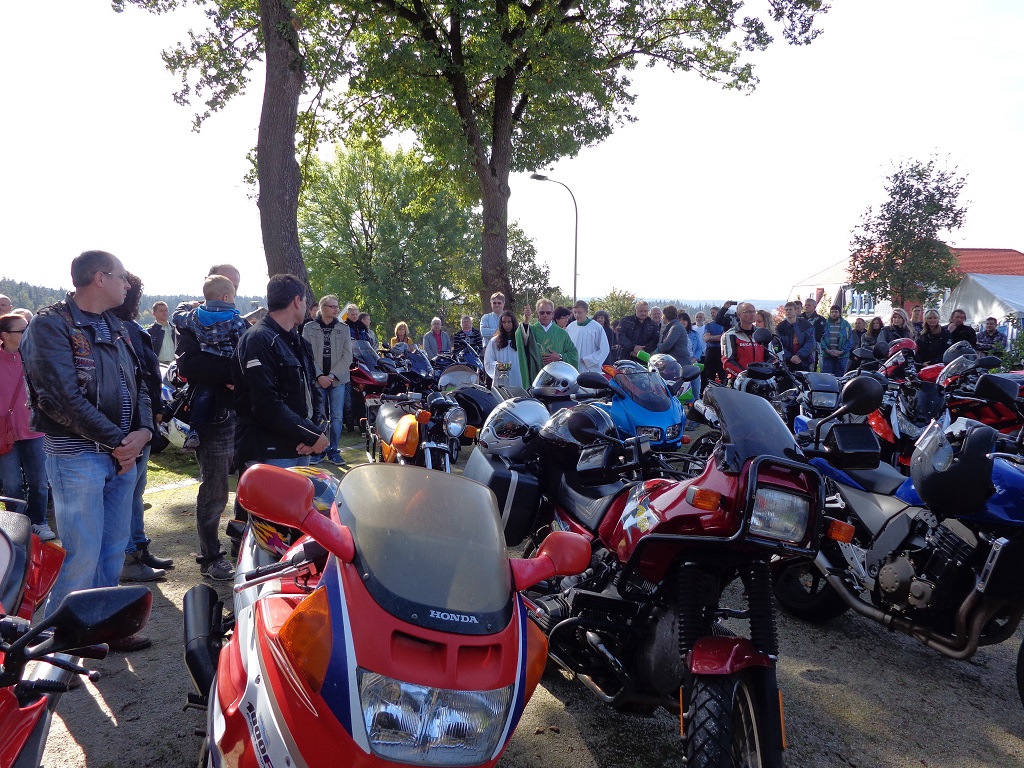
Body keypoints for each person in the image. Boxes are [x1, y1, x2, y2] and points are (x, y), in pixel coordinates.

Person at [21, 250, 153, 651]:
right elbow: (59, 399)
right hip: (78, 456)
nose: (127, 285)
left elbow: (140, 384)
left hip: (120, 456)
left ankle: (101, 631)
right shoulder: (49, 325)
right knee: (82, 555)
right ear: (99, 278)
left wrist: (144, 431)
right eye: (121, 277)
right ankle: (57, 644)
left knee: (111, 551)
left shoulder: (116, 325)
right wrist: (121, 442)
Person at [174, 262, 242, 582]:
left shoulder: (232, 319)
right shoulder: (193, 319)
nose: (235, 292)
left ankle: (243, 543)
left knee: (249, 484)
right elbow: (190, 365)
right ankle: (211, 556)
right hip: (214, 416)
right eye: (231, 286)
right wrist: (234, 371)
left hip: (242, 413)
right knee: (215, 489)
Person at [113, 273, 173, 582]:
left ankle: (138, 547)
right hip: (127, 424)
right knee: (125, 492)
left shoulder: (133, 328)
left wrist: (156, 413)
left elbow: (149, 376)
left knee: (136, 491)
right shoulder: (115, 329)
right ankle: (128, 557)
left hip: (144, 421)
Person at [233, 274, 328, 471]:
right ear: (297, 301)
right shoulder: (257, 339)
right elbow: (265, 403)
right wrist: (311, 435)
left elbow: (314, 391)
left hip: (300, 448)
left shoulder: (299, 343)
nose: (306, 307)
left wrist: (315, 433)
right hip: (271, 451)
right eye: (305, 302)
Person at [172, 274, 249, 450]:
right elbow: (243, 346)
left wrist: (186, 305)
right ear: (226, 297)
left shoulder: (195, 316)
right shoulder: (235, 320)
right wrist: (237, 375)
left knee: (203, 395)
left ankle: (194, 430)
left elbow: (177, 317)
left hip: (206, 362)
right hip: (228, 363)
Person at [0, 313, 52, 541]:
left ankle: (39, 522)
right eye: (22, 330)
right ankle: (16, 527)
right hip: (5, 434)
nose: (28, 332)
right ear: (5, 335)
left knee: (39, 482)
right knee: (12, 486)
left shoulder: (36, 356)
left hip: (35, 430)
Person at [301, 294, 352, 466]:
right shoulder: (309, 328)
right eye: (332, 306)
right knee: (319, 416)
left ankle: (334, 451)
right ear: (322, 308)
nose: (336, 309)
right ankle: (319, 451)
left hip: (338, 380)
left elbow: (348, 356)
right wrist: (319, 376)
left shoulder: (343, 329)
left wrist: (331, 376)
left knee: (337, 416)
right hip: (317, 381)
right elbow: (306, 354)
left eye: (337, 306)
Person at [516, 298, 579, 383]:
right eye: (542, 312)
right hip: (536, 375)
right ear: (537, 314)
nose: (545, 315)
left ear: (552, 314)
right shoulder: (531, 330)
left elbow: (573, 354)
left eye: (548, 312)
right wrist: (526, 319)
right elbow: (521, 339)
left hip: (557, 377)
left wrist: (559, 357)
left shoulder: (562, 333)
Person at [721, 302, 766, 378]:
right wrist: (745, 375)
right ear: (739, 315)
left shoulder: (762, 333)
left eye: (753, 312)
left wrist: (765, 372)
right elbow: (727, 362)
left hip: (762, 379)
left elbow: (772, 357)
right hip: (738, 380)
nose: (752, 314)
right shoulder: (730, 335)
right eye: (748, 312)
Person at [566, 300, 609, 374]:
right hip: (573, 367)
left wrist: (589, 359)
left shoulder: (596, 327)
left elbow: (604, 349)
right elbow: (566, 346)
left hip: (588, 367)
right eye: (575, 312)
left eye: (579, 312)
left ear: (586, 312)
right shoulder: (570, 327)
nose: (577, 315)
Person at [484, 311, 523, 387]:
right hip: (501, 378)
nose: (506, 325)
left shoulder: (520, 340)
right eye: (504, 322)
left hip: (517, 377)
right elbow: (488, 361)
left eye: (509, 322)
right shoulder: (494, 341)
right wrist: (497, 365)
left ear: (513, 323)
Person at [775, 301, 816, 372]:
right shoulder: (780, 327)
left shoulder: (805, 324)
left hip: (804, 361)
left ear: (796, 310)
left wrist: (799, 355)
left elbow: (811, 342)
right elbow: (778, 344)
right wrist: (790, 357)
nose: (788, 311)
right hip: (787, 362)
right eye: (786, 310)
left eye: (790, 309)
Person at [819, 306, 853, 376]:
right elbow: (820, 339)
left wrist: (842, 351)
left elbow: (850, 340)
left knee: (840, 377)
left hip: (842, 356)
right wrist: (827, 350)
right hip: (827, 355)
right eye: (832, 312)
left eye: (836, 312)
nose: (834, 314)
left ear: (840, 313)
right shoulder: (824, 324)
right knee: (826, 377)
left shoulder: (846, 325)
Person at [703, 306, 726, 385]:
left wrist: (712, 337)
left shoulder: (724, 325)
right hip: (711, 352)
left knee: (722, 375)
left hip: (722, 352)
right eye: (711, 313)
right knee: (710, 375)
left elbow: (725, 337)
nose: (712, 314)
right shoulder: (708, 325)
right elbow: (706, 338)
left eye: (714, 312)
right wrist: (719, 337)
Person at [148, 300, 177, 365]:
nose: (165, 313)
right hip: (158, 365)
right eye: (161, 311)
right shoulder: (149, 332)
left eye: (166, 310)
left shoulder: (175, 330)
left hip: (174, 365)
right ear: (154, 314)